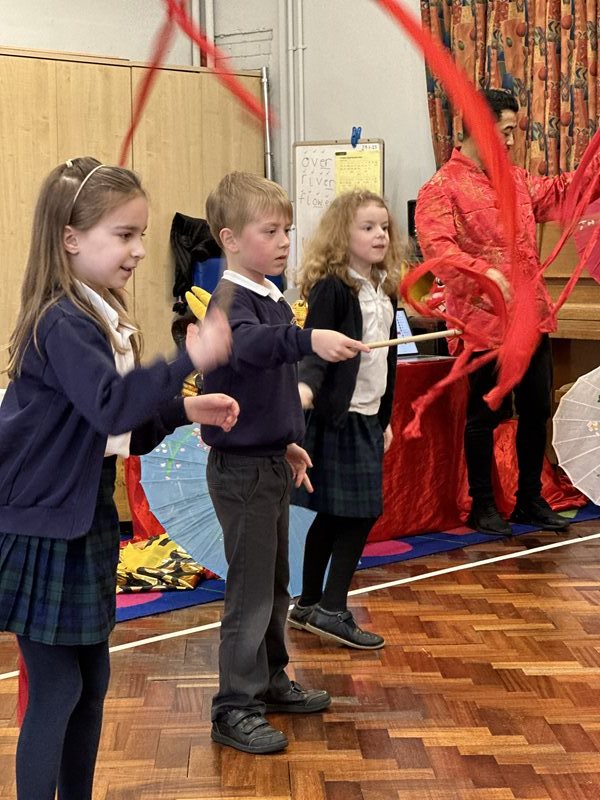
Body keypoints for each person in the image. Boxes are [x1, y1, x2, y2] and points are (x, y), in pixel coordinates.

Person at [0, 157, 239, 800]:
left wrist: (184, 408)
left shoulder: (100, 315)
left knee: (91, 683)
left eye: (142, 235)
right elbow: (110, 405)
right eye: (124, 235)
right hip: (42, 528)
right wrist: (188, 359)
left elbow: (120, 428)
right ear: (71, 239)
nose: (138, 250)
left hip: (82, 521)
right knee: (58, 687)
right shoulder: (63, 321)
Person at [202, 171, 369, 755]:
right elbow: (251, 347)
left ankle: (269, 680)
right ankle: (234, 705)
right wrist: (309, 339)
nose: (283, 242)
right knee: (250, 593)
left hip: (268, 461)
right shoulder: (230, 303)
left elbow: (267, 387)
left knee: (273, 586)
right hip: (242, 472)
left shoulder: (269, 297)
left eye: (287, 231)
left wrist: (286, 441)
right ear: (229, 239)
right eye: (269, 231)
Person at [415, 88, 580, 536]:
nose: (509, 141)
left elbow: (561, 193)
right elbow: (439, 254)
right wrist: (485, 274)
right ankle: (482, 504)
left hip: (531, 318)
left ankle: (529, 499)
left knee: (536, 408)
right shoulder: (440, 188)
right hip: (482, 324)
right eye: (504, 131)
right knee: (484, 415)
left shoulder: (517, 180)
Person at [288, 190, 403, 650]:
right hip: (339, 417)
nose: (380, 235)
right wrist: (306, 389)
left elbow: (388, 361)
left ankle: (308, 604)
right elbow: (314, 347)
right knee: (361, 513)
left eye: (384, 227)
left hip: (368, 416)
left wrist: (385, 417)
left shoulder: (385, 287)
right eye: (367, 227)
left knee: (335, 515)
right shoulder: (334, 288)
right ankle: (332, 608)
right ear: (342, 235)